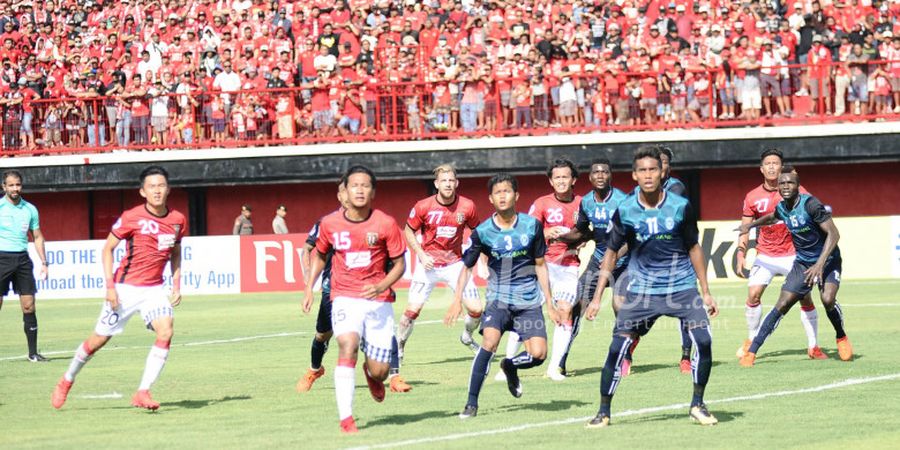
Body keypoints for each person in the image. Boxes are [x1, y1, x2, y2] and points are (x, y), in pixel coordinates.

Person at [584, 146, 720, 427]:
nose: (648, 175)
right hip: (641, 290)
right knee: (616, 348)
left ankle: (698, 404)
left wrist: (705, 291)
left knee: (704, 341)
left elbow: (694, 247)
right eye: (642, 170)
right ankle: (603, 411)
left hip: (681, 286)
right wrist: (597, 296)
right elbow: (610, 252)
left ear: (662, 172)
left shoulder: (680, 206)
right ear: (634, 175)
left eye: (653, 169)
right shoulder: (626, 209)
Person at [52, 166, 187, 410]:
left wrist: (176, 284)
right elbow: (107, 249)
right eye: (152, 186)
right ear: (142, 192)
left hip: (154, 290)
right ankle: (66, 380)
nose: (157, 190)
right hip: (125, 288)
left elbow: (176, 253)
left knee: (166, 330)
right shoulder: (131, 216)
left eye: (161, 186)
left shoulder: (178, 220)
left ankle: (143, 392)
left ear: (169, 189)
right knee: (98, 340)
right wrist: (110, 288)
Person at [301, 166, 407, 434]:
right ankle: (346, 418)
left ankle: (371, 374)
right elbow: (320, 255)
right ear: (345, 191)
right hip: (344, 296)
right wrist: (308, 288)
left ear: (373, 192)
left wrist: (382, 285)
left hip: (379, 299)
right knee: (347, 344)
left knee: (381, 370)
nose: (360, 190)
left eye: (365, 185)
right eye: (354, 185)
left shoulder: (385, 223)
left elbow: (400, 264)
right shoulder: (329, 224)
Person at [447, 173, 557, 419]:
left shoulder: (532, 226)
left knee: (539, 354)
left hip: (528, 302)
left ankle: (510, 365)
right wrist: (456, 300)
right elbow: (466, 267)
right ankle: (471, 403)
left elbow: (540, 264)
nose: (503, 196)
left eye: (507, 191)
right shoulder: (483, 231)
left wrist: (549, 303)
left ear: (516, 195)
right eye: (498, 192)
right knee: (489, 343)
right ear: (491, 198)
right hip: (499, 300)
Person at [738, 167, 852, 366]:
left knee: (827, 299)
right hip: (803, 263)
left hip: (828, 260)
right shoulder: (782, 207)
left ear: (798, 185)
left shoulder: (811, 204)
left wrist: (819, 264)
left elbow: (834, 234)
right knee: (782, 304)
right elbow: (773, 217)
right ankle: (752, 351)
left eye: (790, 182)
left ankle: (841, 336)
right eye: (782, 183)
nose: (785, 186)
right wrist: (751, 225)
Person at [736, 149, 824, 360]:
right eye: (768, 163)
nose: (772, 167)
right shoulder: (752, 197)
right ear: (761, 169)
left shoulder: (798, 190)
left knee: (804, 297)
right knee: (753, 294)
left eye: (776, 163)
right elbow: (745, 228)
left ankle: (813, 346)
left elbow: (813, 215)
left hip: (794, 254)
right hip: (765, 255)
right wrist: (740, 254)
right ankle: (751, 339)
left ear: (782, 167)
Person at [553, 159, 630, 376]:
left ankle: (624, 357)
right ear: (590, 177)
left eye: (604, 171)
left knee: (619, 306)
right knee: (575, 306)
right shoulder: (586, 202)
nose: (600, 175)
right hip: (597, 260)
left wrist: (614, 256)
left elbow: (630, 238)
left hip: (624, 261)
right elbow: (582, 231)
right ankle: (561, 359)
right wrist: (561, 238)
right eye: (596, 172)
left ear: (610, 175)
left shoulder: (623, 201)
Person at [398, 164, 482, 361]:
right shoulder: (423, 206)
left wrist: (476, 255)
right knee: (412, 311)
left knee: (477, 309)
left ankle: (467, 337)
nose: (448, 184)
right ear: (436, 184)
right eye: (444, 181)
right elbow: (408, 230)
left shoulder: (467, 206)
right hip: (429, 265)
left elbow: (478, 232)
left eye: (451, 180)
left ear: (457, 183)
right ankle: (399, 346)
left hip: (455, 265)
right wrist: (420, 253)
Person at [526, 159, 582, 381]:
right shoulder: (541, 203)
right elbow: (528, 231)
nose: (561, 181)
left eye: (565, 177)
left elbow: (590, 230)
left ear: (573, 180)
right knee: (528, 310)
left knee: (565, 310)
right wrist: (547, 233)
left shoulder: (582, 203)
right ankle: (508, 362)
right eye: (557, 177)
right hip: (543, 264)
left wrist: (581, 238)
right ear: (551, 181)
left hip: (569, 266)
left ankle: (554, 368)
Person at [0, 170, 48, 362]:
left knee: (29, 306)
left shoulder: (30, 209)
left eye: (17, 184)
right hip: (1, 259)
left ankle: (33, 353)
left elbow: (37, 236)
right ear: (4, 187)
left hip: (22, 261)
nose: (15, 188)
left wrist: (44, 262)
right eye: (10, 185)